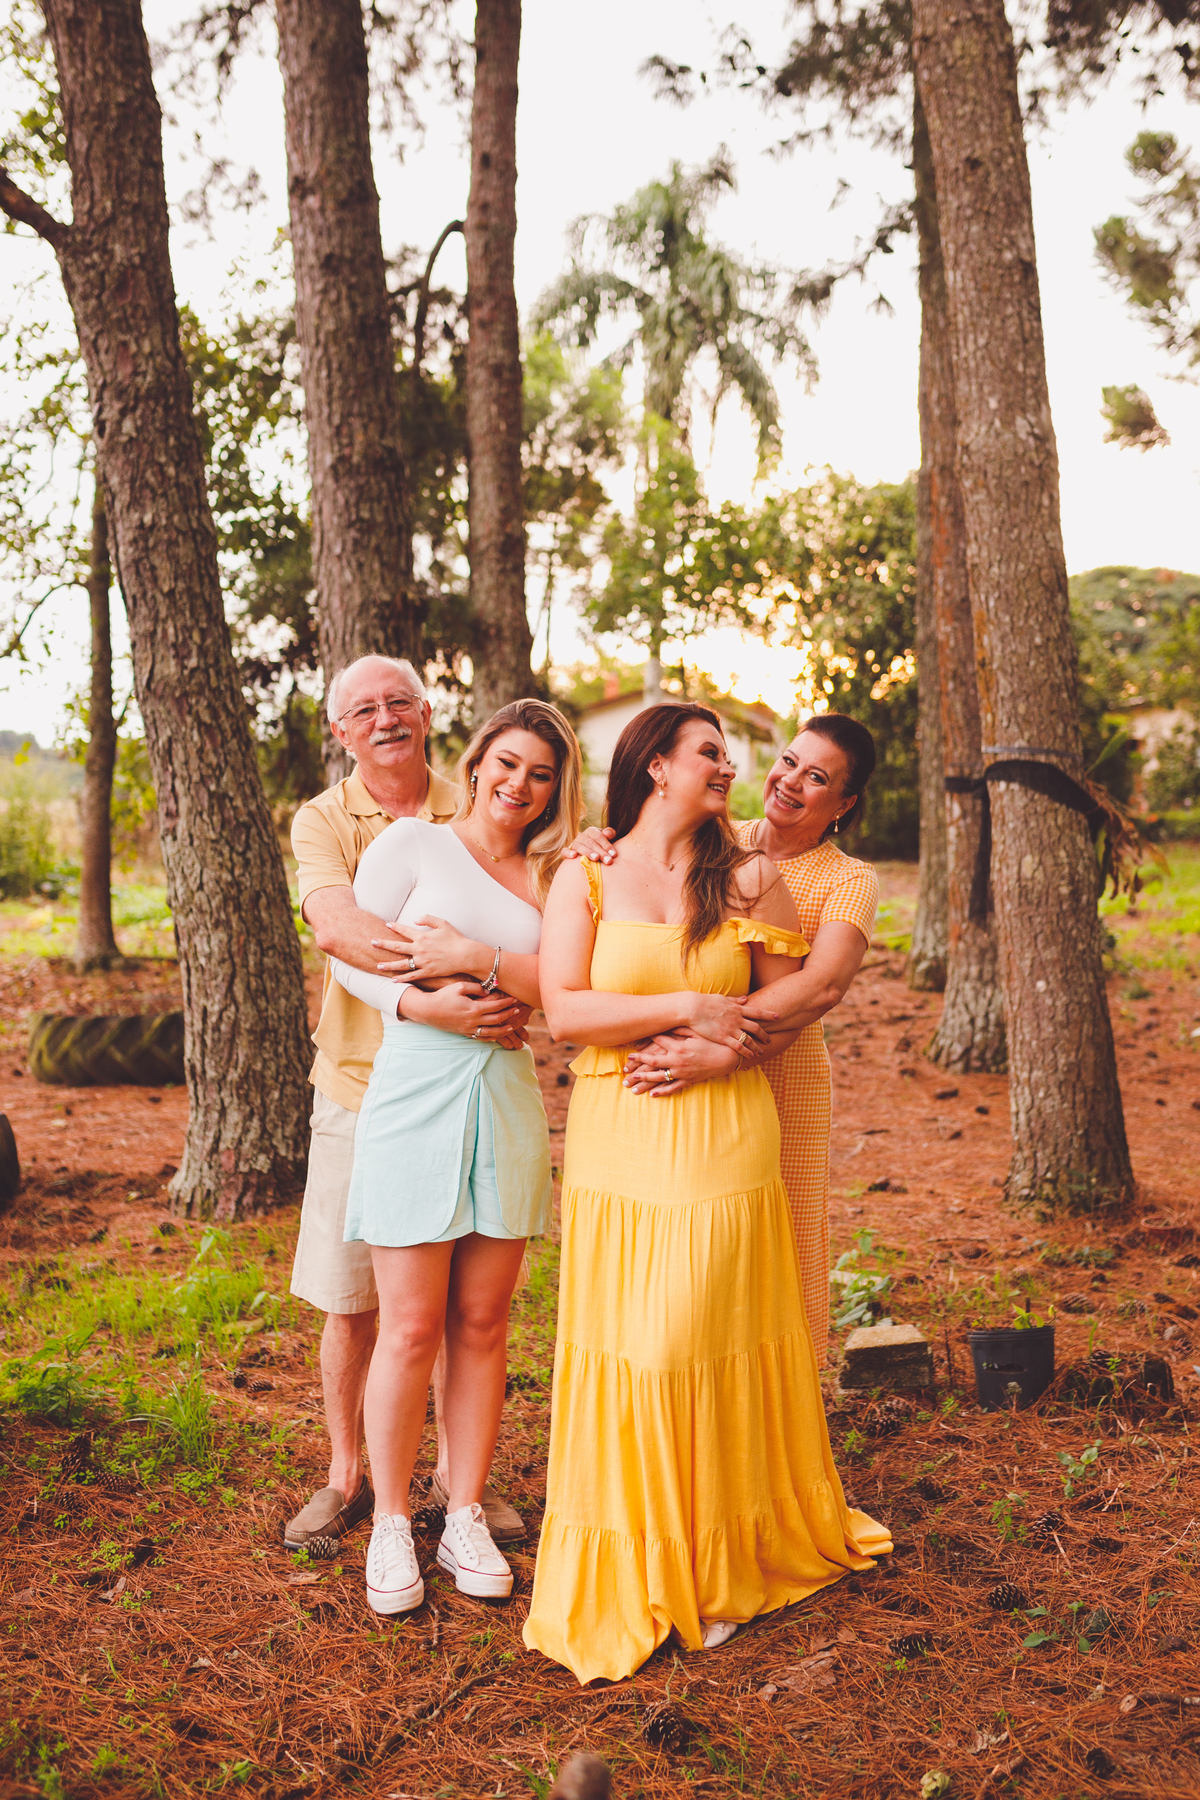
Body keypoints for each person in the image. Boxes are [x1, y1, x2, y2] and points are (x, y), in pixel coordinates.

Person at [523, 703, 890, 1684]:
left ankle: (721, 1557)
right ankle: (646, 1557)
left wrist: (714, 1047)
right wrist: (686, 1008)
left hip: (727, 1131)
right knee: (636, 1352)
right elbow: (564, 1010)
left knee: (703, 1338)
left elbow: (796, 993)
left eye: (734, 754)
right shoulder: (585, 870)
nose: (734, 769)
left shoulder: (756, 875)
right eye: (713, 754)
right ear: (655, 768)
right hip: (619, 1132)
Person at [329, 700, 584, 1615]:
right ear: (476, 763)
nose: (519, 785)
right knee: (408, 1325)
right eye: (507, 764)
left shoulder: (557, 875)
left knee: (481, 1321)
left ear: (558, 788)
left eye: (541, 774)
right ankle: (393, 1522)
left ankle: (464, 1510)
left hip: (507, 1095)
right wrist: (418, 1006)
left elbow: (565, 993)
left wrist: (479, 964)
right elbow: (352, 954)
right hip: (416, 1084)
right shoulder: (412, 846)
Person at [286, 655, 528, 1555]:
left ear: (427, 714)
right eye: (362, 709)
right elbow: (337, 924)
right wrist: (440, 983)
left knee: (464, 1305)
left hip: (472, 1088)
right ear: (341, 731)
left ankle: (457, 1488)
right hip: (360, 1084)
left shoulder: (475, 796)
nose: (383, 719)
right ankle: (347, 1474)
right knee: (356, 1301)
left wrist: (485, 958)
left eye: (398, 703)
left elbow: (527, 890)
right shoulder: (324, 819)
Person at [574, 714, 877, 1353]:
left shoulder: (848, 880)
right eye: (789, 761)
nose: (789, 781)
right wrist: (591, 842)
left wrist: (724, 1046)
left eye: (816, 777)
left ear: (843, 803)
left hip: (780, 1071)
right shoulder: (721, 838)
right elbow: (640, 857)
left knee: (780, 1248)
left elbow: (820, 987)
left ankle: (778, 1412)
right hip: (680, 1070)